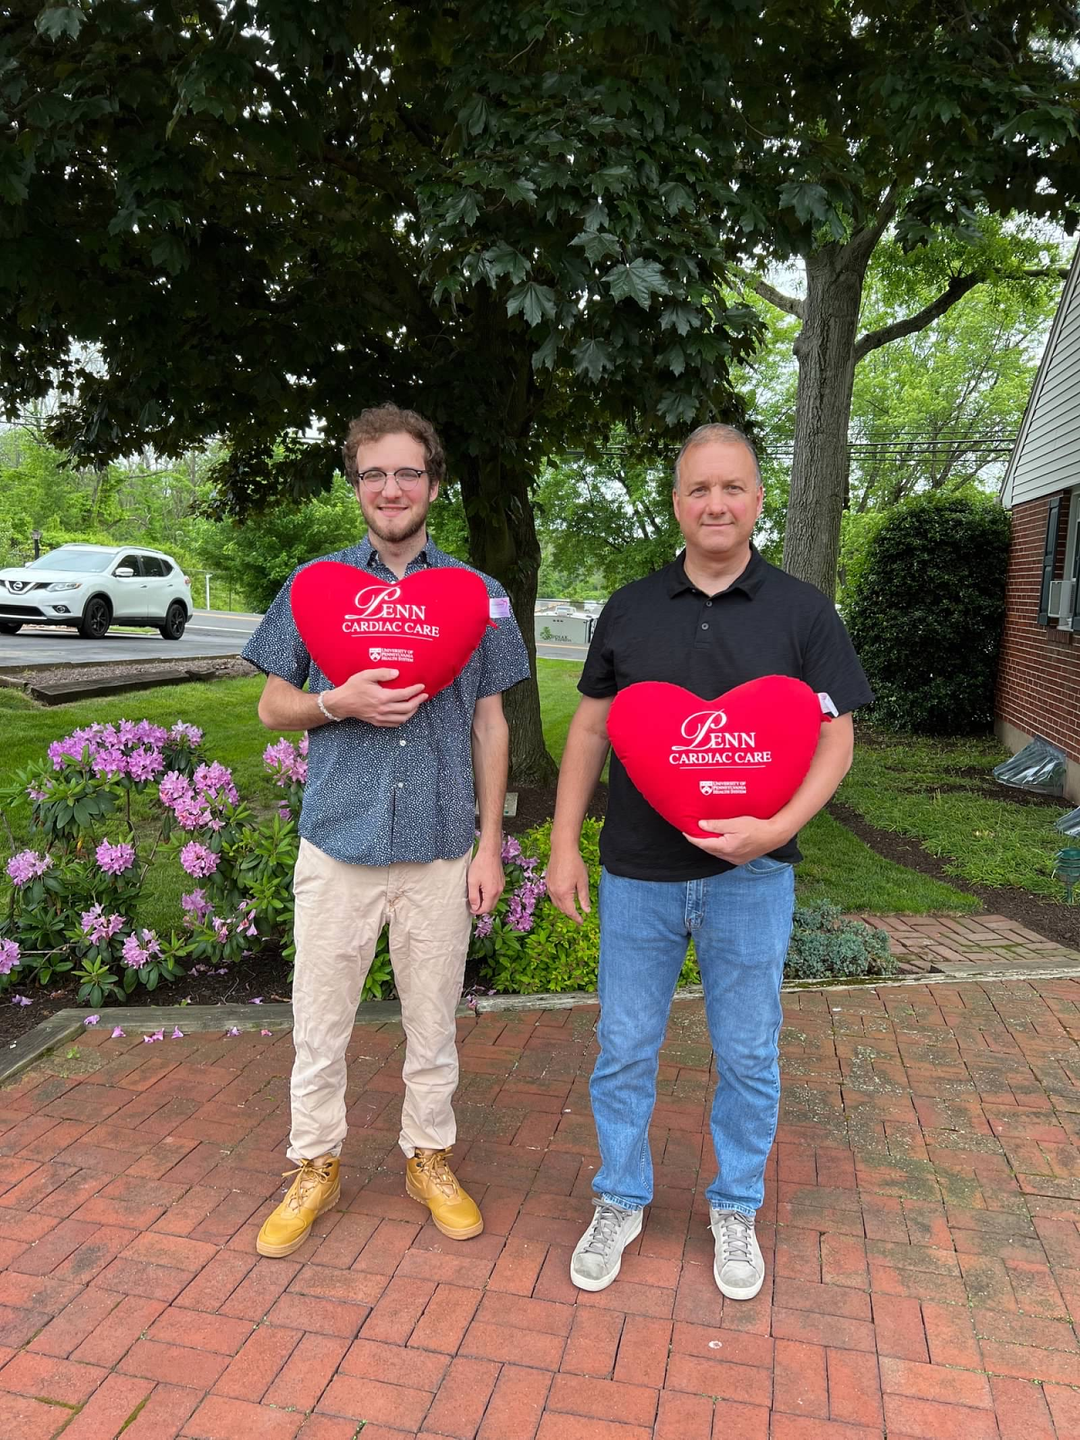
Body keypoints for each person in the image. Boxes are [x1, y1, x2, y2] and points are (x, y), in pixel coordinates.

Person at [547, 423, 873, 1299]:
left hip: (752, 881)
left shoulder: (803, 611)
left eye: (732, 488)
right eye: (699, 489)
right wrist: (563, 845)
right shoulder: (630, 608)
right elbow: (591, 730)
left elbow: (837, 738)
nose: (716, 504)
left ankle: (735, 1206)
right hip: (637, 875)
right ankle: (620, 1197)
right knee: (623, 1047)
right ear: (678, 503)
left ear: (758, 500)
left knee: (749, 1054)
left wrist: (777, 829)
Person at [242, 403, 530, 1257]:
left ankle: (427, 1157)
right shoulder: (314, 584)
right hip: (340, 841)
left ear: (434, 484)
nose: (391, 488)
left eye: (408, 472)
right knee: (319, 1021)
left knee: (433, 1022)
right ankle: (315, 1164)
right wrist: (338, 702)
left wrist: (489, 845)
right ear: (356, 485)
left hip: (440, 846)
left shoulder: (481, 595)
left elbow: (491, 724)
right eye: (375, 473)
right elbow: (271, 705)